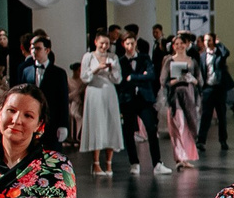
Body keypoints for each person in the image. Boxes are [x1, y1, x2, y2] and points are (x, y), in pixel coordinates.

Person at [77, 35, 124, 177]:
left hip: (109, 91)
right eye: (102, 43)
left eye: (107, 44)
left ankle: (109, 163)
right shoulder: (88, 57)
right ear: (96, 42)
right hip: (94, 92)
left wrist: (111, 69)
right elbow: (84, 77)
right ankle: (96, 164)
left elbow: (118, 79)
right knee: (97, 125)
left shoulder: (113, 57)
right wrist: (96, 69)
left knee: (111, 124)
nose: (104, 46)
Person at [118, 33, 162, 175]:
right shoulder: (121, 61)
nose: (130, 46)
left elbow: (151, 75)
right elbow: (121, 81)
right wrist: (139, 77)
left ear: (136, 43)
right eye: (127, 44)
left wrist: (133, 77)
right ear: (123, 45)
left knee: (151, 129)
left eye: (132, 43)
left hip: (144, 99)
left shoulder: (144, 58)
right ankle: (134, 163)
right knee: (129, 132)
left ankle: (157, 163)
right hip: (128, 99)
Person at [163, 34, 202, 170]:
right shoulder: (169, 61)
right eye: (177, 44)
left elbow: (199, 80)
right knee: (178, 125)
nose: (179, 46)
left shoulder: (192, 61)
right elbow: (164, 81)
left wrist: (191, 79)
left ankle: (186, 156)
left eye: (181, 43)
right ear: (173, 46)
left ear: (186, 45)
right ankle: (179, 157)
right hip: (175, 97)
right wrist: (177, 79)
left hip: (189, 96)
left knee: (187, 126)